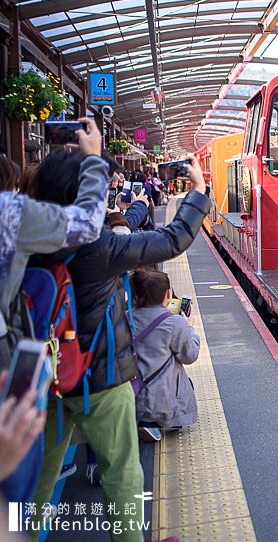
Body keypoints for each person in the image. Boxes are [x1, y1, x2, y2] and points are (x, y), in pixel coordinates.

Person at [29, 155, 209, 542]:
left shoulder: (26, 239)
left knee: (40, 473)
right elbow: (173, 238)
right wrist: (198, 190)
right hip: (101, 379)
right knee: (123, 472)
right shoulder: (98, 246)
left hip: (46, 378)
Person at [0, 119, 107, 512]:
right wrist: (93, 160)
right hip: (8, 362)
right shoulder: (10, 213)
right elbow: (87, 225)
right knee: (15, 480)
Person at [131, 270, 200, 436]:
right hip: (163, 396)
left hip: (132, 394)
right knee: (182, 378)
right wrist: (189, 327)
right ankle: (168, 420)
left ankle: (145, 420)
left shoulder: (126, 317)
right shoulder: (174, 322)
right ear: (168, 294)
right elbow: (189, 355)